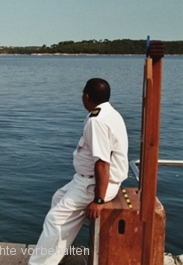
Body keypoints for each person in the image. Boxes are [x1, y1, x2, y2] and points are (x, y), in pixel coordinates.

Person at [28, 78, 128, 265]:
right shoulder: (110, 113)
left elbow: (102, 163)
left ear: (87, 96)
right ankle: (56, 255)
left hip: (94, 184)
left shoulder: (97, 121)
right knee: (58, 198)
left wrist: (98, 200)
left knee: (54, 219)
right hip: (85, 179)